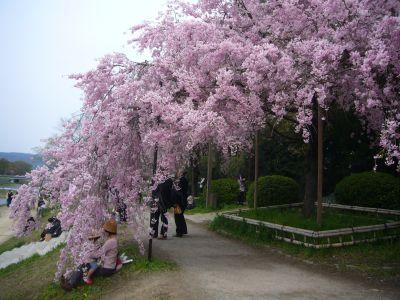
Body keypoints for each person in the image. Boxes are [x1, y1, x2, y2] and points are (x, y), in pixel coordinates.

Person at [173, 171, 188, 237]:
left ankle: (179, 232)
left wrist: (175, 201)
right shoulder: (184, 179)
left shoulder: (181, 180)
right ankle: (183, 230)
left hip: (179, 201)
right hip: (182, 200)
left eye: (178, 172)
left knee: (178, 216)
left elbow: (179, 191)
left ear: (181, 173)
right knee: (180, 216)